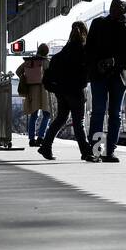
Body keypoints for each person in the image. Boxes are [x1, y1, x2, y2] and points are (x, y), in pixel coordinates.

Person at [85, 0, 126, 163]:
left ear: (124, 9)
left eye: (119, 7)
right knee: (99, 112)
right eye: (114, 6)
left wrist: (114, 61)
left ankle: (110, 151)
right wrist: (97, 64)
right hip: (100, 75)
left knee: (114, 114)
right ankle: (96, 150)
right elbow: (89, 49)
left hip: (118, 76)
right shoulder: (98, 24)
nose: (115, 9)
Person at [38, 23, 95, 162]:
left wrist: (57, 89)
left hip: (62, 93)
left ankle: (46, 146)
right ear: (84, 34)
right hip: (76, 92)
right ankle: (86, 152)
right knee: (78, 122)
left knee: (61, 118)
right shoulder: (84, 51)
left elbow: (47, 79)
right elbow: (88, 74)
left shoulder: (60, 55)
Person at [16, 44, 52, 147]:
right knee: (47, 115)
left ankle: (31, 139)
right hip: (44, 91)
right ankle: (40, 137)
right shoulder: (46, 62)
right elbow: (52, 74)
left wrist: (26, 78)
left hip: (32, 91)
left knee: (33, 115)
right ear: (46, 52)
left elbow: (18, 71)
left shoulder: (29, 61)